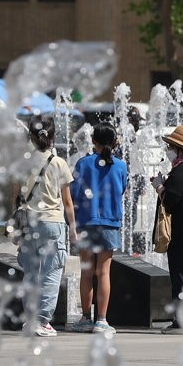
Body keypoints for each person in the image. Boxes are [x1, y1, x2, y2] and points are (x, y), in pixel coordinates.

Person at [16, 116, 78, 337]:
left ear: (31, 137)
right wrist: (73, 228)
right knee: (51, 272)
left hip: (29, 222)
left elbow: (18, 196)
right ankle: (43, 321)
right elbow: (68, 201)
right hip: (52, 222)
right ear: (53, 137)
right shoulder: (59, 163)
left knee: (31, 273)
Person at [69, 124, 128, 334]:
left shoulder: (83, 164)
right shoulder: (121, 166)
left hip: (85, 221)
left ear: (93, 141)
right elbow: (122, 190)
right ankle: (101, 320)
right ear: (113, 142)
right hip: (109, 222)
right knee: (103, 272)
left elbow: (74, 193)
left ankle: (85, 318)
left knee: (86, 271)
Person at [152, 124, 183, 334]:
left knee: (181, 276)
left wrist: (159, 185)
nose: (169, 150)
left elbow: (171, 200)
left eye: (171, 147)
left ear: (180, 149)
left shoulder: (181, 170)